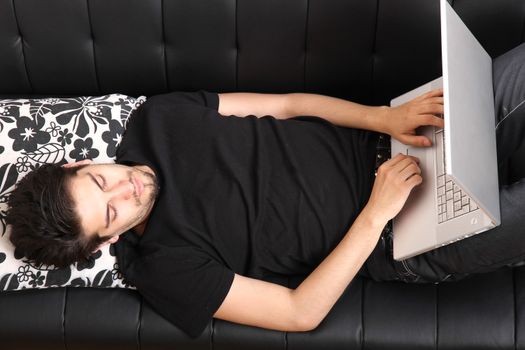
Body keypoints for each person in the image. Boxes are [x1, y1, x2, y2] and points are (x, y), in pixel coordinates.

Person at [6, 42, 525, 338]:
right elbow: (299, 313)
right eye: (111, 212)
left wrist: (385, 117)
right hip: (400, 234)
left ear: (81, 161)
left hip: (400, 139)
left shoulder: (158, 117)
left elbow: (288, 105)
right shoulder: (160, 268)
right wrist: (376, 214)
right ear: (106, 242)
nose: (127, 189)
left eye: (101, 179)